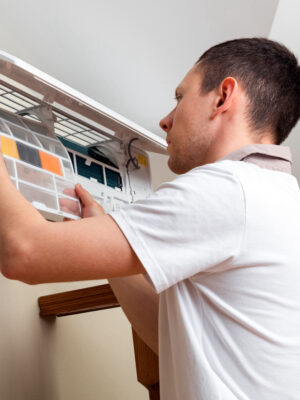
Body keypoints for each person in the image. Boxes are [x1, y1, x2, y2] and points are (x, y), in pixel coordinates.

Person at [1, 37, 300, 399]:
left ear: (223, 97)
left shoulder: (228, 190)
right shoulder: (279, 198)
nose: (166, 119)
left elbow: (24, 252)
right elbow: (170, 337)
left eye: (180, 97)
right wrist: (105, 241)